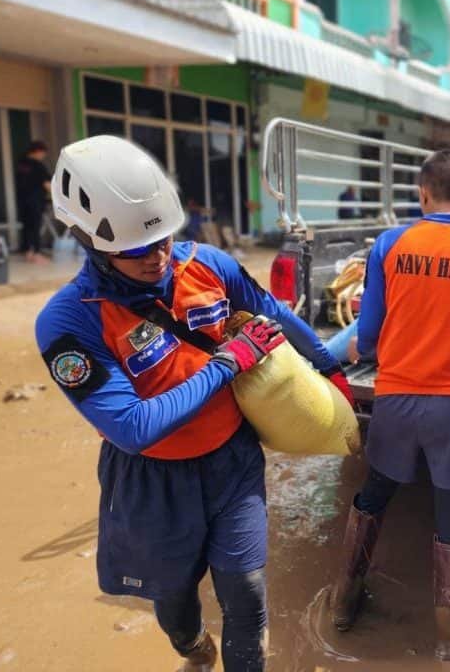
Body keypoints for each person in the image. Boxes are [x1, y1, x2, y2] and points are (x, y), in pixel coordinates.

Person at [34, 135, 354, 671]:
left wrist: (331, 369)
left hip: (232, 461)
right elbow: (133, 428)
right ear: (87, 239)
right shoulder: (69, 322)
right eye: (138, 250)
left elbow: (274, 312)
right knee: (175, 601)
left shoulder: (209, 266)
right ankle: (192, 648)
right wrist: (228, 363)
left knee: (247, 590)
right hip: (150, 479)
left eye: (163, 240)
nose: (157, 258)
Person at [329, 150, 450, 660]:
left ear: (421, 194)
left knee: (375, 492)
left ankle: (342, 604)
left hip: (394, 398)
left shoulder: (390, 244)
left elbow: (366, 337)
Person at [15, 140, 52, 262]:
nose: (43, 156)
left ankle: (28, 252)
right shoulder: (38, 165)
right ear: (38, 151)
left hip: (22, 200)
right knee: (35, 226)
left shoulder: (21, 164)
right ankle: (36, 253)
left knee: (27, 226)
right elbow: (47, 184)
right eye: (43, 154)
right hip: (35, 200)